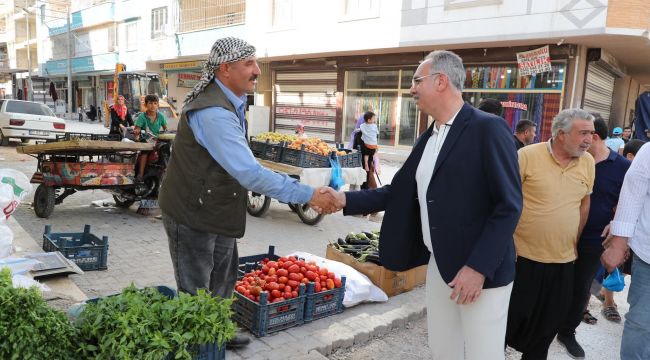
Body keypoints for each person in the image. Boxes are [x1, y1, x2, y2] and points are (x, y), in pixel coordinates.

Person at [319, 50, 523, 359]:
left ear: (441, 81)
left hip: (481, 274)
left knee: (483, 353)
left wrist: (478, 268)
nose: (412, 88)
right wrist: (345, 199)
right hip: (440, 266)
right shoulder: (431, 135)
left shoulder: (488, 129)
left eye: (417, 80)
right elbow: (399, 191)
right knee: (444, 349)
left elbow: (509, 206)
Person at [157, 37, 337, 349]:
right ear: (225, 69)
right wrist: (307, 194)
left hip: (218, 207)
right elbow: (249, 173)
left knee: (223, 277)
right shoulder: (213, 112)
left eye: (256, 62)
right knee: (196, 285)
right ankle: (200, 347)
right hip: (191, 212)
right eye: (249, 64)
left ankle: (218, 332)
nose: (257, 70)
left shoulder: (233, 101)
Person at [505, 108, 595, 359]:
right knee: (507, 321)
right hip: (521, 258)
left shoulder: (587, 162)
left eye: (592, 133)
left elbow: (584, 204)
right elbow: (505, 201)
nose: (589, 139)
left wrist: (574, 242)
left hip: (563, 261)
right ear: (560, 134)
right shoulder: (526, 155)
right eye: (583, 133)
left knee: (547, 325)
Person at [555, 115, 630, 359]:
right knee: (553, 282)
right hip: (561, 234)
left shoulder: (621, 167)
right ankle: (544, 327)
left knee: (582, 287)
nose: (583, 140)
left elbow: (627, 201)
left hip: (594, 239)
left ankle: (567, 332)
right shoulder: (573, 159)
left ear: (594, 137)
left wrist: (615, 224)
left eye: (587, 134)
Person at [601, 142, 650, 360]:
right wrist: (618, 243)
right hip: (648, 256)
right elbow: (632, 195)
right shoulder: (649, 151)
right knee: (642, 323)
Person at [134, 94, 168, 180]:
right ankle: (140, 174)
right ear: (145, 105)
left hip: (157, 140)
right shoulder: (142, 116)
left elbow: (166, 129)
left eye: (155, 103)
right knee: (145, 152)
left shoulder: (161, 116)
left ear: (158, 105)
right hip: (145, 139)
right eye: (150, 103)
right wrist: (137, 131)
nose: (153, 105)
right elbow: (136, 129)